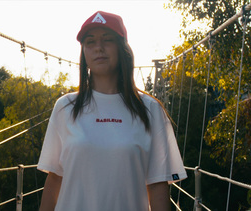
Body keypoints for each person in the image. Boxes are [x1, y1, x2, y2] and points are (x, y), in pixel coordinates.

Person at [37, 11, 187, 211]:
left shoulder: (151, 110)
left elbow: (158, 186)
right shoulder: (65, 107)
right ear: (84, 52)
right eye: (90, 42)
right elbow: (55, 178)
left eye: (107, 40)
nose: (98, 47)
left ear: (122, 47)